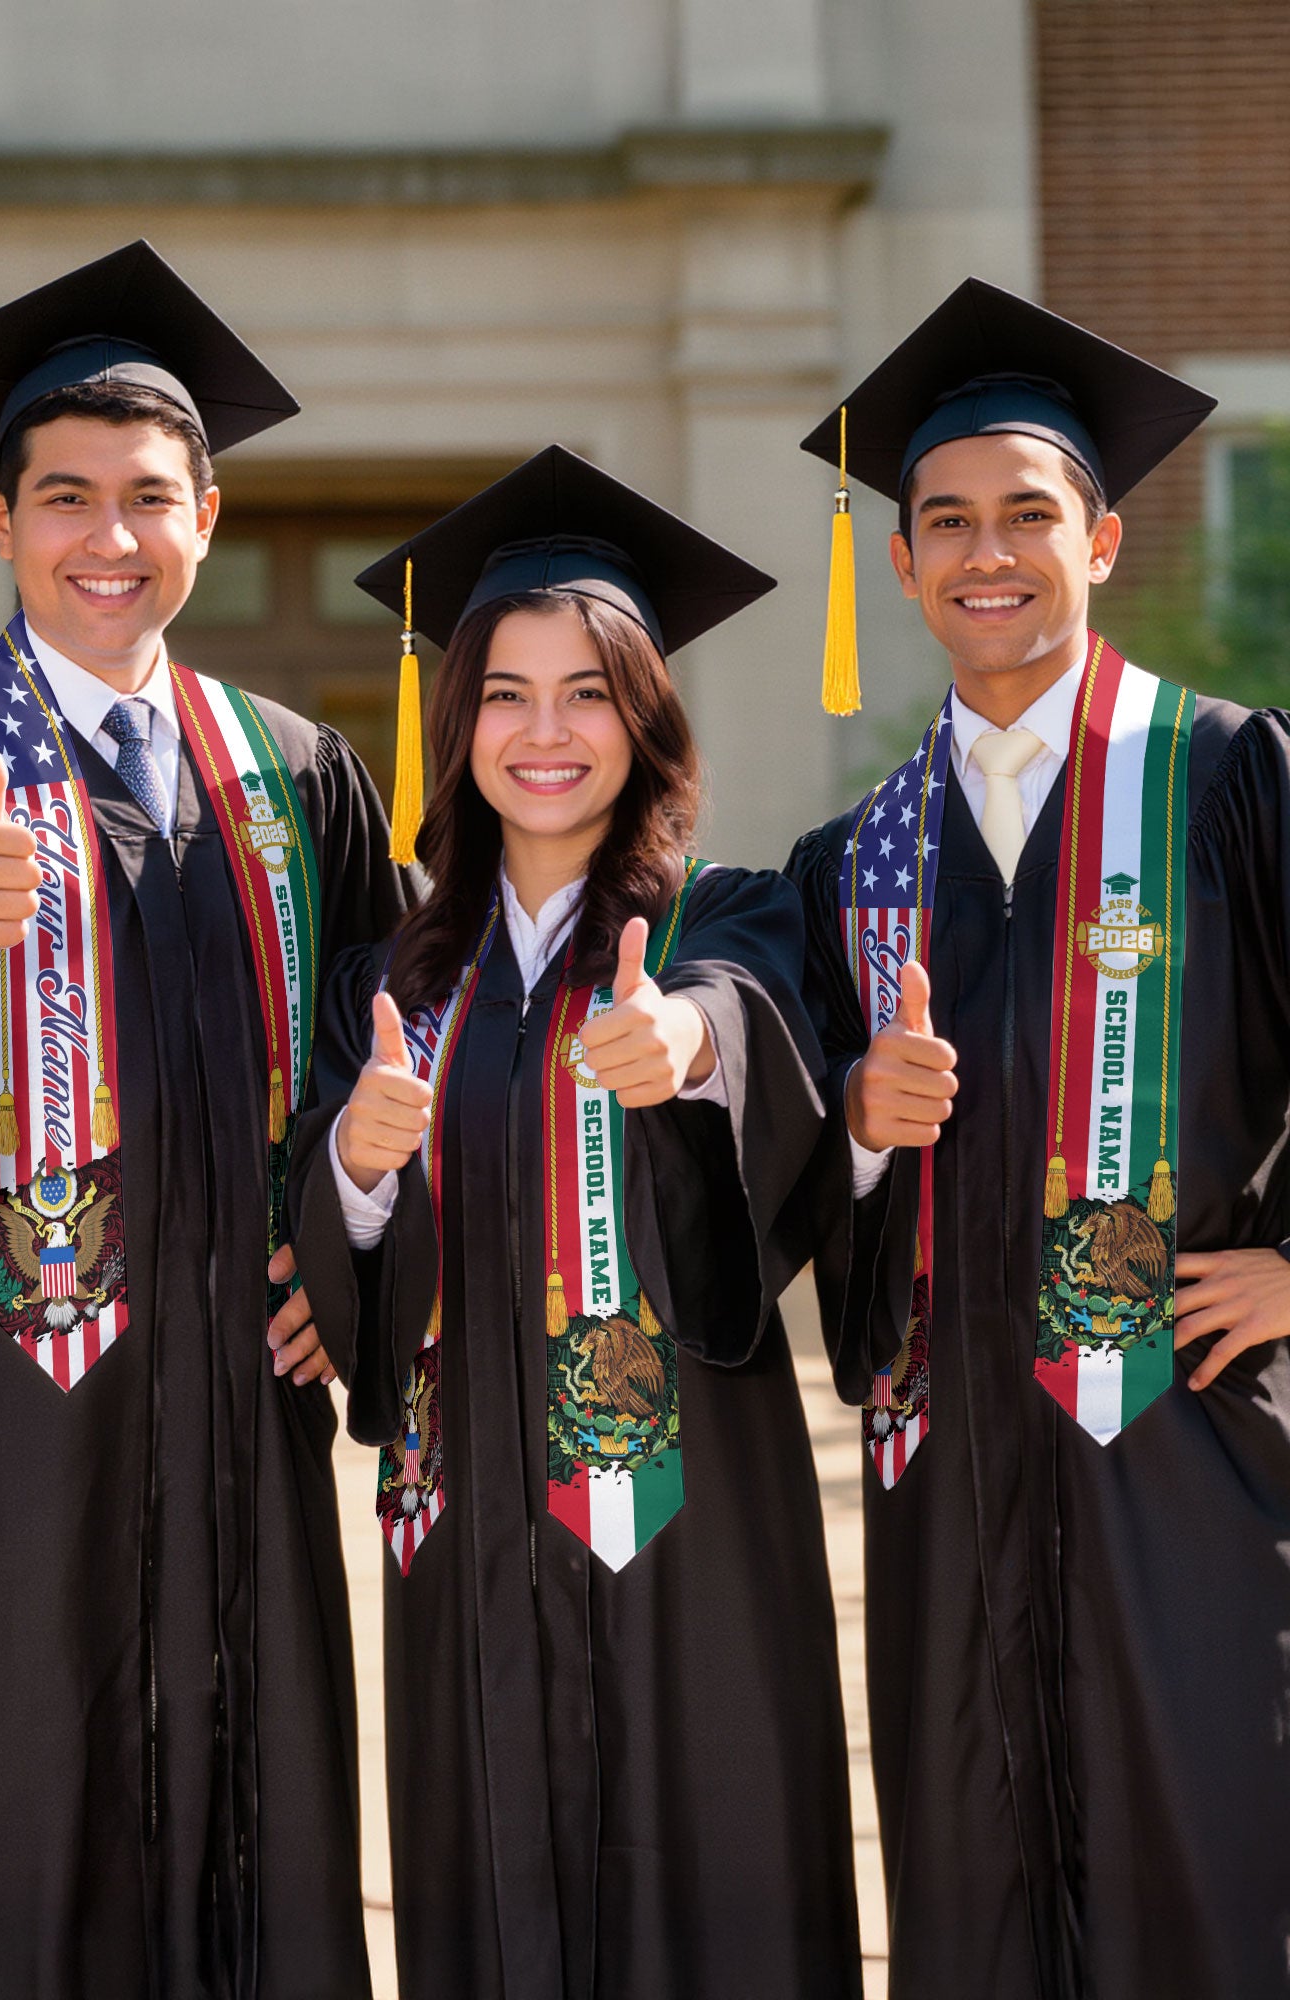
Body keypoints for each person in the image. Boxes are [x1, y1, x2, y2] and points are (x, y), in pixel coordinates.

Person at [0, 241, 411, 1999]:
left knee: (267, 1820)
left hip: (247, 1405)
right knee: (24, 1836)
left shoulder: (300, 772)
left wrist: (352, 1256)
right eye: (66, 498)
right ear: (0, 522)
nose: (109, 538)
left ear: (207, 514)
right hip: (20, 1420)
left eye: (150, 498)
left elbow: (401, 1042)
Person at [288, 446, 862, 1999]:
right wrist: (354, 1154)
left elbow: (753, 1028)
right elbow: (332, 1240)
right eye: (506, 694)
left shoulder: (727, 917)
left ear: (647, 717)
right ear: (457, 721)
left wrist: (685, 1048)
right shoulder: (392, 980)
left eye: (590, 692)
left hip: (694, 1526)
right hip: (465, 1519)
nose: (547, 734)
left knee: (715, 1889)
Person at [787, 279, 1290, 1999]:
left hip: (1192, 1450)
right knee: (972, 1889)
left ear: (1104, 538)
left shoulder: (1228, 779)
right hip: (951, 1479)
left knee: (1210, 1873)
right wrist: (855, 1128)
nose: (984, 552)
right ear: (907, 562)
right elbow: (786, 1174)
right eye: (945, 522)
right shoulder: (854, 859)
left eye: (1027, 515)